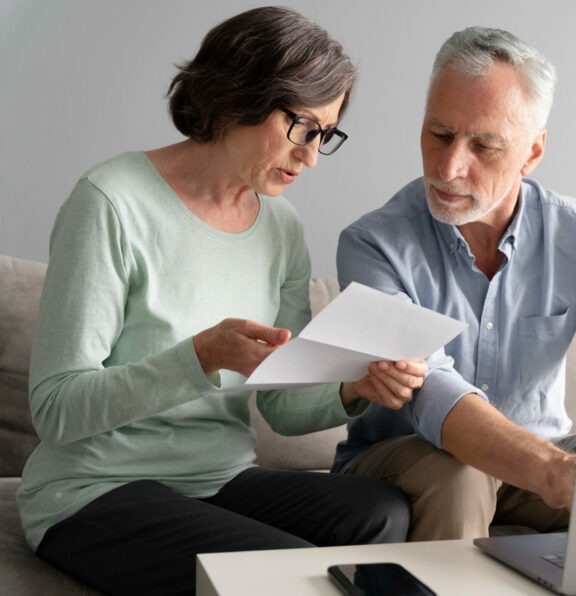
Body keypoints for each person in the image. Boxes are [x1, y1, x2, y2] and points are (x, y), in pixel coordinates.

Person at [17, 7, 427, 595]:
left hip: (218, 478)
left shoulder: (281, 228)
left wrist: (353, 387)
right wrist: (200, 356)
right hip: (95, 489)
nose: (311, 155)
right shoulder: (110, 202)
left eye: (325, 135)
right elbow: (56, 409)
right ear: (238, 96)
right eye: (302, 127)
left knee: (381, 510)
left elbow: (283, 408)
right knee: (285, 570)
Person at [332, 26, 576, 541]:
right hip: (410, 461)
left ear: (532, 153)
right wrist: (551, 470)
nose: (449, 167)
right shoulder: (372, 244)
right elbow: (429, 390)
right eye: (439, 134)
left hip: (538, 461)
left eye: (484, 145)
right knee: (459, 473)